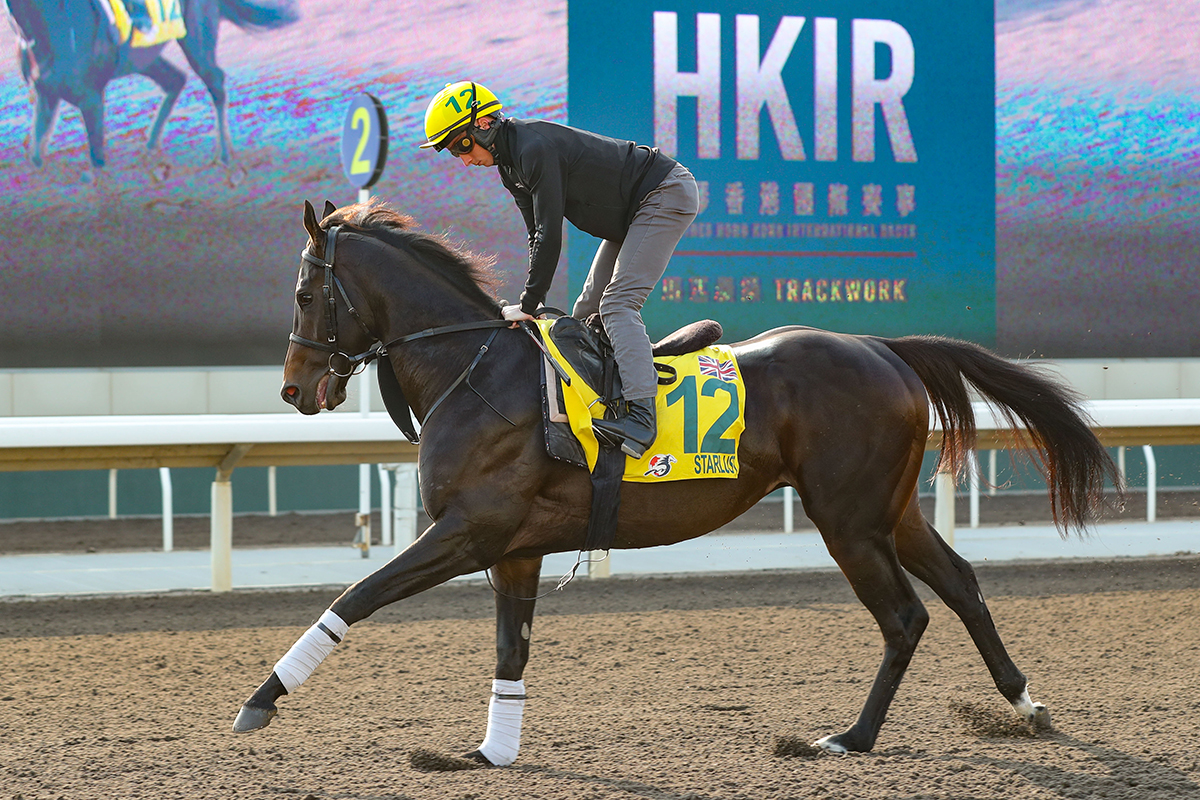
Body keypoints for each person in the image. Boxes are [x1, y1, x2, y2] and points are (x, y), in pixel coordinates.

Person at [419, 81, 699, 459]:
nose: (464, 159)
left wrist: (530, 302)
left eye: (461, 145)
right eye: (454, 153)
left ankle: (642, 419)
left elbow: (551, 233)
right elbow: (536, 234)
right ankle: (606, 401)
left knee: (617, 305)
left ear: (484, 123)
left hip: (663, 192)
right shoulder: (510, 168)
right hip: (634, 212)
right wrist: (530, 301)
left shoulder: (534, 148)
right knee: (585, 314)